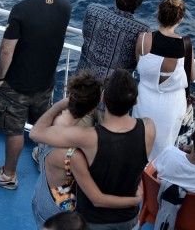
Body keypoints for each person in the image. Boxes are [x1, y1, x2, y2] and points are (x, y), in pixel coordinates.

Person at [0, 0, 70, 189]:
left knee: (15, 130)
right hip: (45, 82)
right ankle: (43, 158)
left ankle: (8, 176)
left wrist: (1, 78)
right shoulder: (65, 6)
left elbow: (6, 50)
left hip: (17, 84)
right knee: (43, 124)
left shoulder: (21, 10)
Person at [30, 69, 156, 229]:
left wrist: (59, 105)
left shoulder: (89, 137)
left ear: (104, 99)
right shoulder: (149, 128)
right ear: (135, 101)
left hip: (95, 221)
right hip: (129, 219)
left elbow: (36, 133)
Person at [133, 0, 195, 160]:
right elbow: (192, 76)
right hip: (171, 107)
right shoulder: (185, 45)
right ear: (180, 19)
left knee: (139, 143)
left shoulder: (143, 39)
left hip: (144, 101)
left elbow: (139, 64)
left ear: (159, 14)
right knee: (163, 149)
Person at [76, 0, 149, 79]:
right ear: (139, 2)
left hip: (81, 81)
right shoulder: (142, 30)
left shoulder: (92, 11)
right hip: (113, 86)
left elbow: (86, 35)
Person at [153, 128, 195, 193]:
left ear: (192, 136)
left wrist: (183, 148)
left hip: (154, 198)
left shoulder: (169, 153)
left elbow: (152, 173)